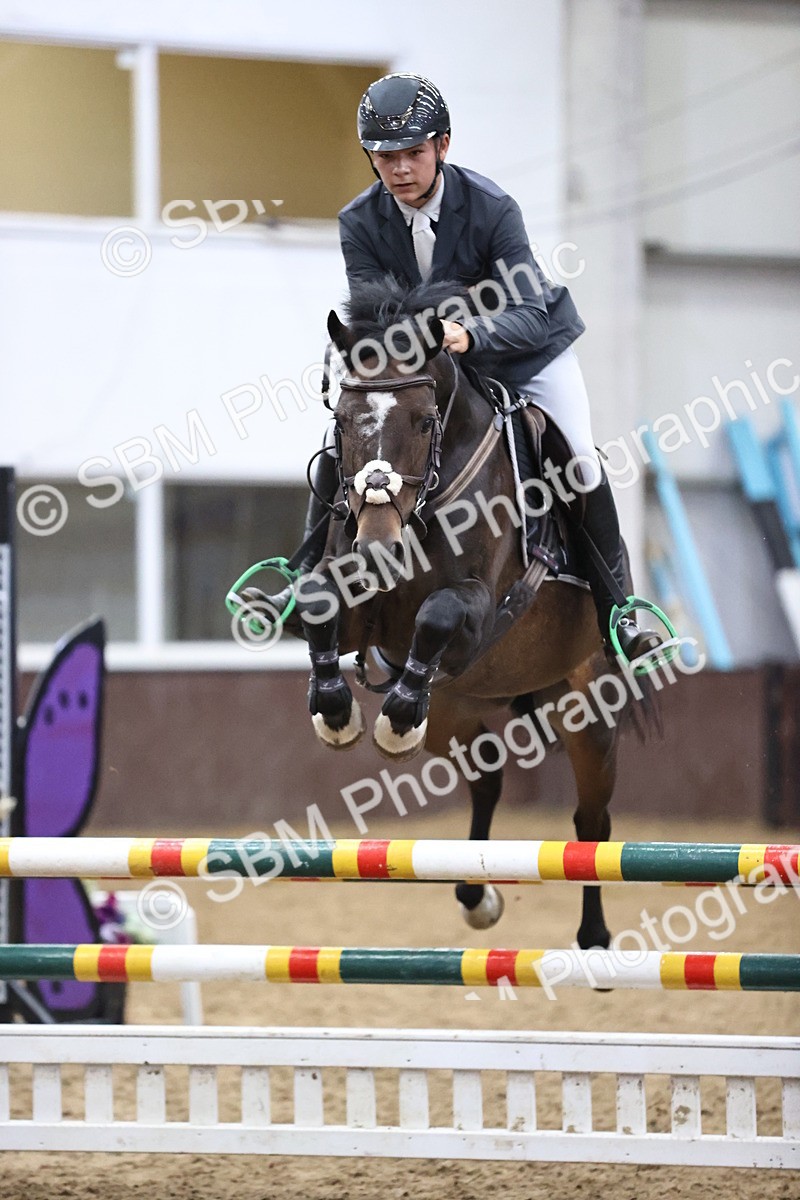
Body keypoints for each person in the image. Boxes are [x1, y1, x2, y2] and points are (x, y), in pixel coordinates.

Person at [262, 72, 661, 664]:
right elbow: (375, 318)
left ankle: (619, 611)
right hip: (428, 364)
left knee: (577, 457)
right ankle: (303, 574)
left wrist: (466, 334)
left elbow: (527, 311)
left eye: (414, 153)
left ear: (442, 146)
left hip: (525, 350)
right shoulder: (359, 223)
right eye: (386, 155)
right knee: (338, 436)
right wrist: (416, 350)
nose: (400, 169)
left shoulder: (493, 208)